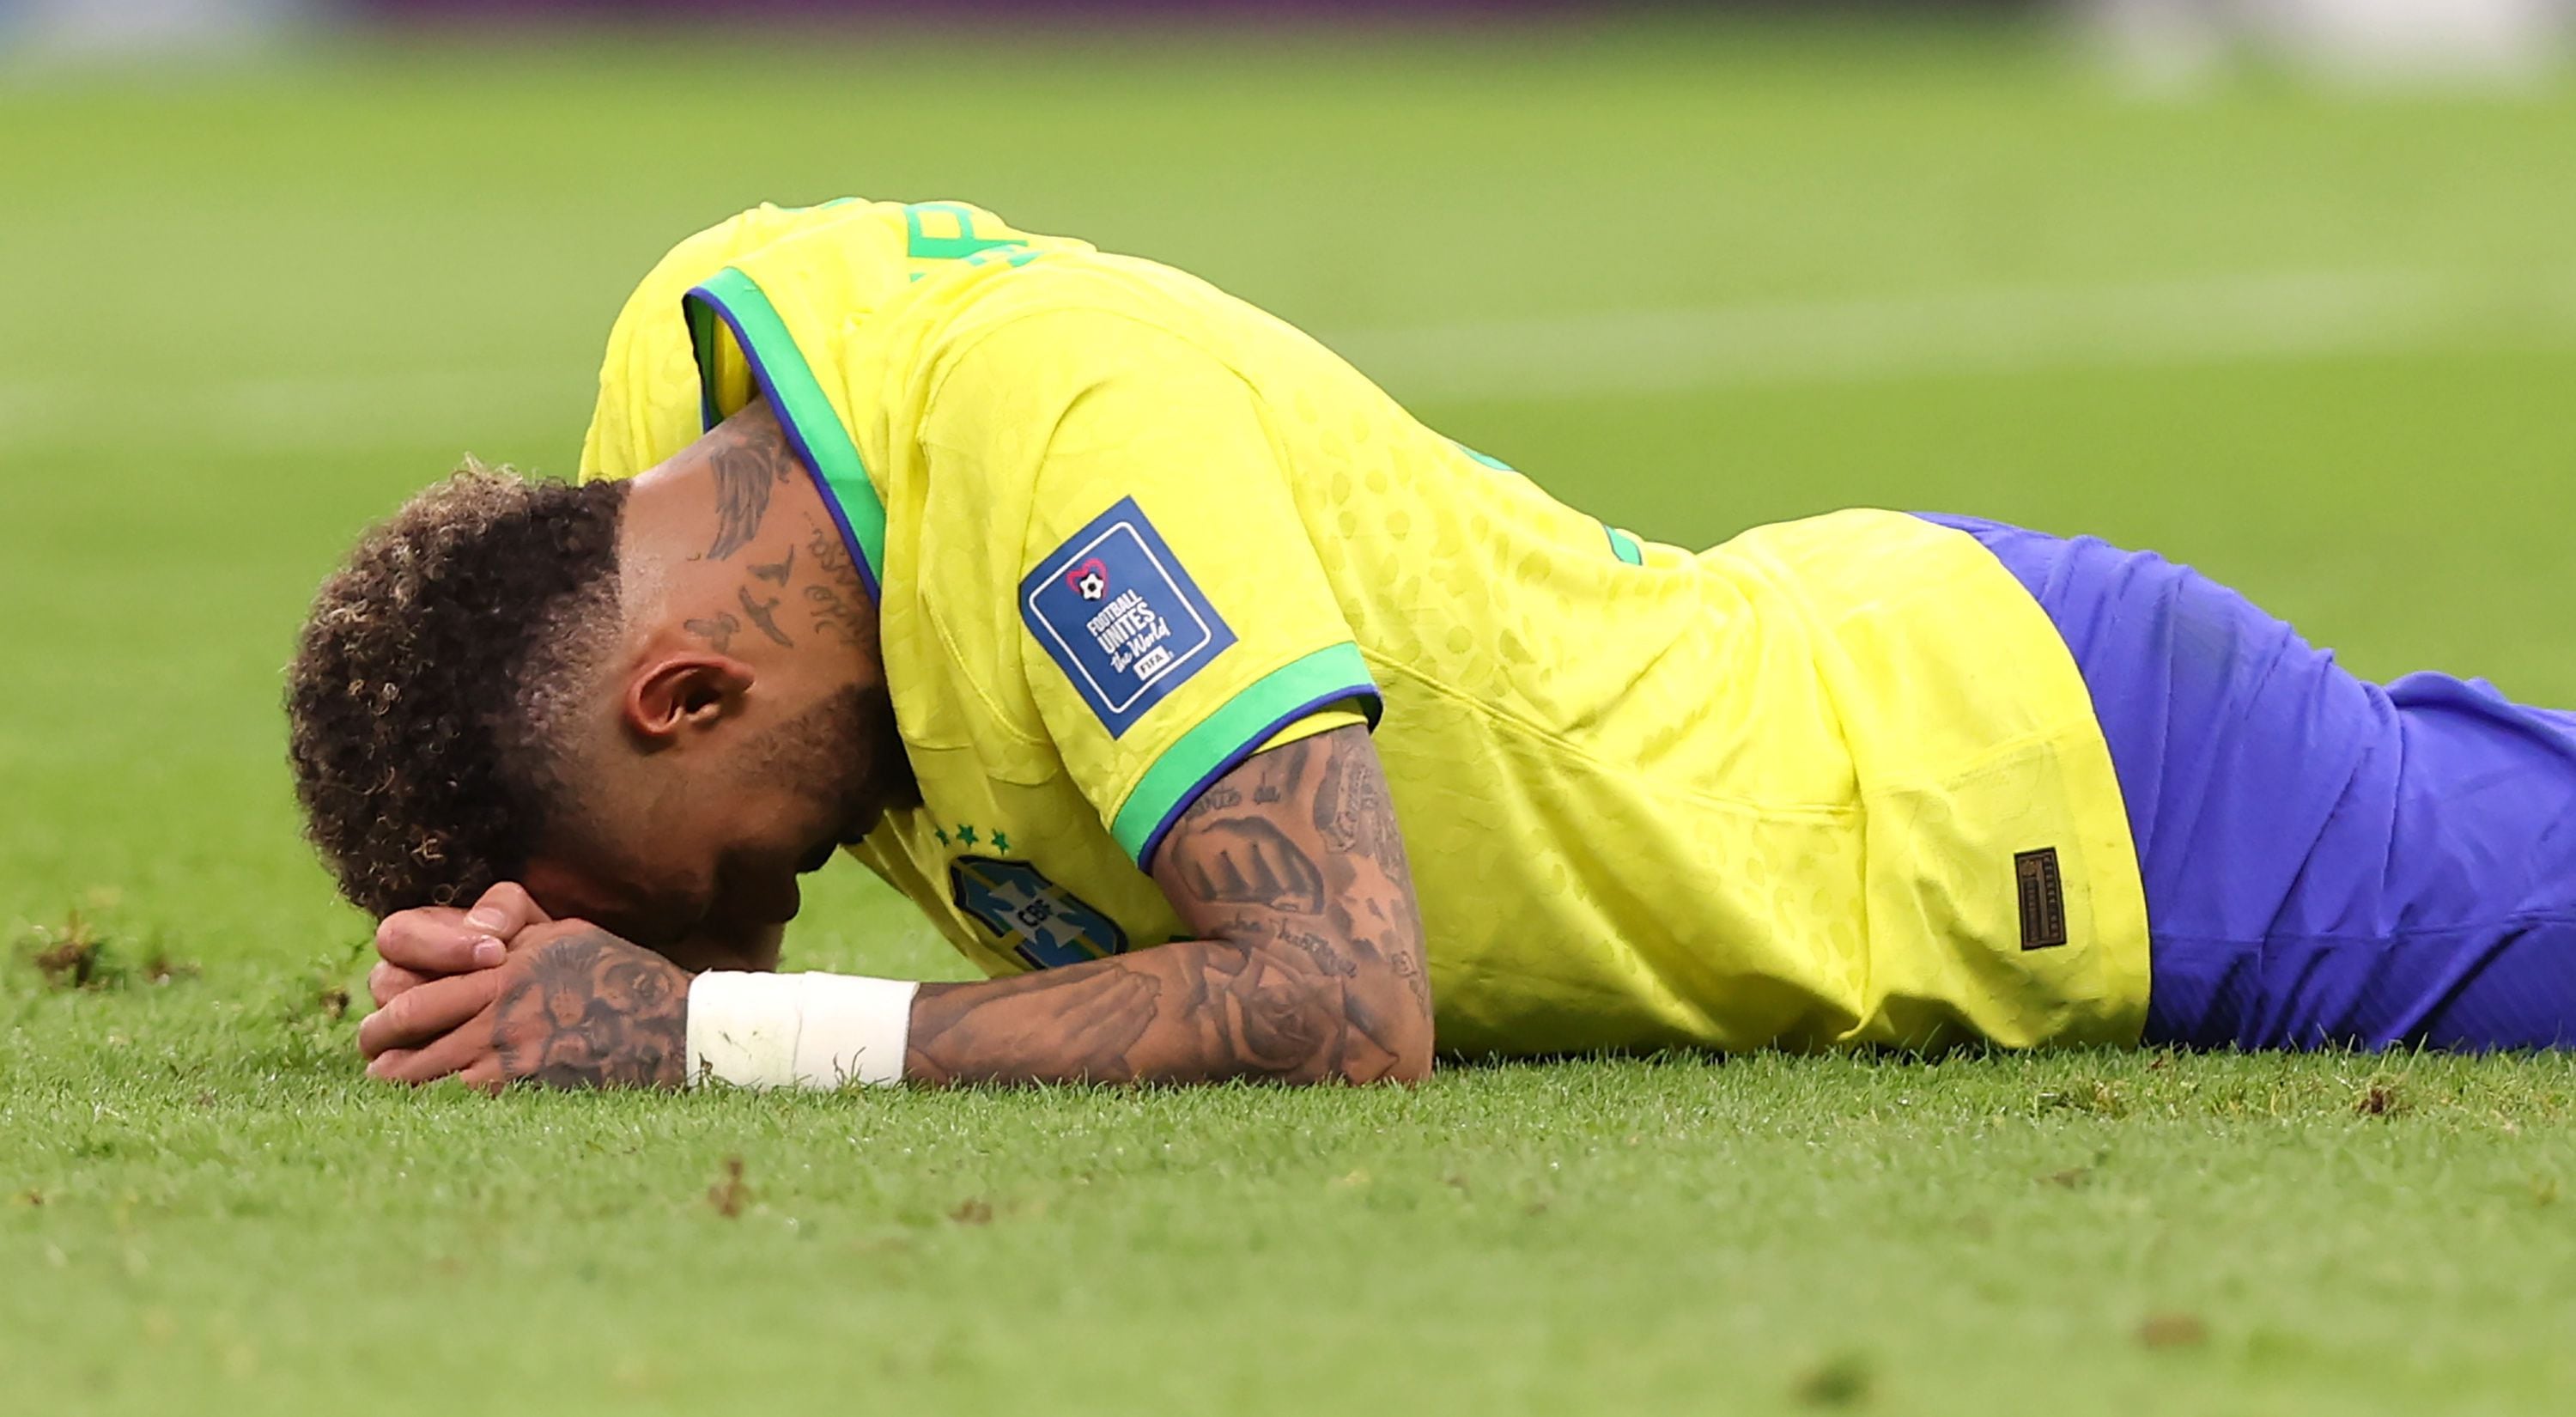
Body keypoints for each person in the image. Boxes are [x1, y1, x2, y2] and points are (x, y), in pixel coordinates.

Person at [288, 198, 2576, 1092]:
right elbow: (500, 670)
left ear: (683, 691)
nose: (782, 896)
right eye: (744, 912)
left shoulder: (1061, 462)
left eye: (739, 871)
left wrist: (713, 1028)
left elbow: (1341, 999)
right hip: (1883, 676)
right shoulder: (669, 444)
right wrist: (527, 946)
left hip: (2040, 809)